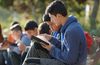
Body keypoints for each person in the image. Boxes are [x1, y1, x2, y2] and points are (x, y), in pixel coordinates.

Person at [41, 0, 87, 65]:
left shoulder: (71, 31)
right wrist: (51, 39)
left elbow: (70, 60)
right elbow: (66, 48)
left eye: (51, 17)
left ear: (58, 16)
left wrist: (51, 49)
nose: (51, 20)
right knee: (34, 52)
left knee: (30, 61)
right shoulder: (70, 27)